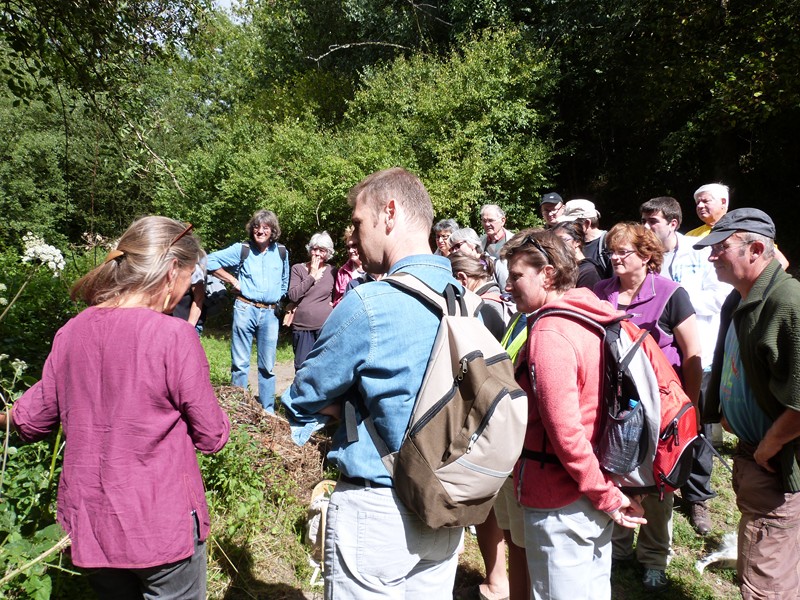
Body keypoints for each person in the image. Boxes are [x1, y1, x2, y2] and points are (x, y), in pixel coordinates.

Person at [0, 217, 231, 599]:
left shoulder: (72, 331)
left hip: (93, 526)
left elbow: (29, 420)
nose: (190, 287)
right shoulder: (175, 336)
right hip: (161, 527)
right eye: (191, 276)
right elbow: (212, 436)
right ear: (172, 270)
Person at [281, 167, 464, 598]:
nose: (355, 235)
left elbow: (304, 395)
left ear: (390, 212)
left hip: (378, 509)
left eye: (359, 222)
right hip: (444, 505)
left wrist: (338, 402)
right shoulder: (462, 297)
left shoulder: (370, 303)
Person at [502, 228, 645, 600]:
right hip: (593, 485)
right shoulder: (591, 316)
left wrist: (605, 496)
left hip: (560, 498)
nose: (508, 285)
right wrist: (606, 491)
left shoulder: (551, 332)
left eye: (517, 275)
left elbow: (566, 434)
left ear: (547, 274)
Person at [692, 208, 800, 600]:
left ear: (755, 249)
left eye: (720, 248)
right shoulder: (739, 300)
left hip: (778, 463)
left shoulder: (787, 301)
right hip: (756, 456)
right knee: (771, 558)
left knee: (764, 581)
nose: (710, 256)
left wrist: (770, 444)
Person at [593, 222, 702, 591]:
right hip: (614, 406)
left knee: (657, 482)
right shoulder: (600, 292)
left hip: (660, 407)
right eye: (611, 251)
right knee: (617, 471)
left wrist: (692, 408)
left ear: (646, 254)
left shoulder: (671, 294)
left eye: (623, 251)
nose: (614, 257)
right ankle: (619, 546)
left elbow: (692, 356)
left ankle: (654, 555)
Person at [640, 196, 730, 535]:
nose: (647, 228)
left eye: (653, 222)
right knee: (660, 421)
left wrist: (677, 299)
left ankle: (698, 496)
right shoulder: (647, 258)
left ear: (673, 224)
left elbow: (720, 295)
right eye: (644, 222)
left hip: (697, 353)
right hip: (658, 358)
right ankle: (661, 479)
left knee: (697, 423)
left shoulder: (699, 250)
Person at [448, 252, 513, 600]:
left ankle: (498, 581)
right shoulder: (495, 304)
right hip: (499, 413)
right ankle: (499, 579)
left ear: (460, 277)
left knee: (483, 499)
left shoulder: (476, 308)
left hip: (484, 413)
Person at [207, 209, 289, 412]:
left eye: (265, 228)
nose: (260, 231)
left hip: (270, 313)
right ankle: (238, 408)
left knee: (268, 365)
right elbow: (208, 261)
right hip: (245, 308)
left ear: (272, 231)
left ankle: (267, 409)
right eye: (256, 227)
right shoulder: (242, 249)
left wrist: (277, 298)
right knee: (241, 362)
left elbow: (284, 281)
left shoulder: (281, 252)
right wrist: (233, 280)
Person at [689, 183, 789, 269]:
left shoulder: (743, 229)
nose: (700, 206)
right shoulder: (690, 235)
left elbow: (781, 261)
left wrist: (760, 287)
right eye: (697, 202)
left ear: (723, 202)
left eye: (705, 201)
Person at [288, 231, 337, 371]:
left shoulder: (333, 271)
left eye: (321, 250)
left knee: (325, 367)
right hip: (302, 327)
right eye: (314, 249)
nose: (317, 253)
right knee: (302, 368)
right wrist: (312, 275)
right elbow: (293, 295)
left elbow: (338, 296)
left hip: (325, 328)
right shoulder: (298, 269)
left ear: (328, 253)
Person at [556, 199, 612, 277]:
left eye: (571, 223)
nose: (565, 227)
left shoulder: (608, 244)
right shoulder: (571, 243)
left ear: (587, 223)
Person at [551, 220, 603, 289]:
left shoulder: (589, 272)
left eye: (561, 240)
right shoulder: (565, 269)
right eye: (554, 242)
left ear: (577, 242)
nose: (556, 245)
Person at [332, 226, 364, 307]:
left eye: (354, 245)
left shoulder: (377, 269)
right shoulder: (343, 272)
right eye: (348, 247)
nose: (350, 250)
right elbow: (337, 300)